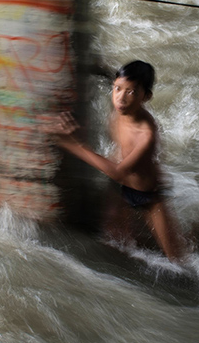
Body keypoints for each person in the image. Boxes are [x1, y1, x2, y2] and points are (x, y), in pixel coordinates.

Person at [46, 60, 187, 262]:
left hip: (146, 195)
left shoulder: (147, 133)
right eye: (117, 89)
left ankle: (194, 236)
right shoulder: (120, 109)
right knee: (116, 244)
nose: (121, 98)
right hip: (118, 189)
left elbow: (119, 172)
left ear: (146, 97)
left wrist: (73, 145)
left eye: (131, 92)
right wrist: (87, 66)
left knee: (176, 259)